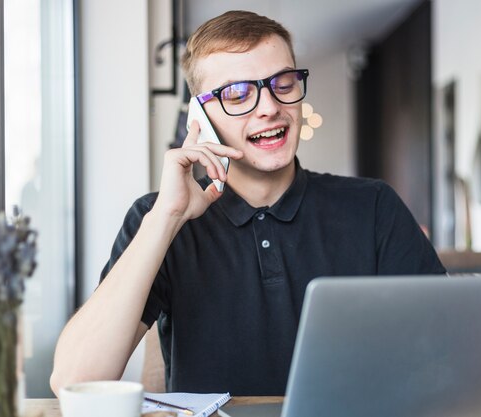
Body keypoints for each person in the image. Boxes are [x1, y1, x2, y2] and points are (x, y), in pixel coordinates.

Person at [50, 10, 445, 396]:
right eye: (237, 93)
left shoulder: (373, 206)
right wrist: (167, 217)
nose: (269, 106)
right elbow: (74, 379)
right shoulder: (157, 218)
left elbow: (443, 355)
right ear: (200, 118)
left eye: (283, 83)